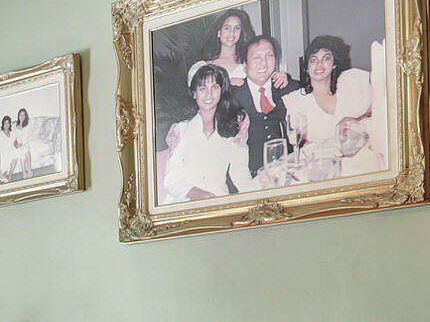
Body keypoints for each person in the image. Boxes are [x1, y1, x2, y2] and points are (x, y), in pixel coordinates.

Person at [282, 34, 381, 178]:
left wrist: (357, 119)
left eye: (326, 58)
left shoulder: (352, 81)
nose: (319, 64)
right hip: (321, 167)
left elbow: (385, 97)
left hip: (358, 163)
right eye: (313, 60)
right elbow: (297, 143)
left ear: (334, 63)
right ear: (307, 67)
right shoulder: (296, 100)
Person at [159, 66, 252, 203]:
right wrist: (194, 192)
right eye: (202, 88)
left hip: (218, 202)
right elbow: (171, 178)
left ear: (222, 90)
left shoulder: (233, 128)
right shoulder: (181, 130)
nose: (209, 94)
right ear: (194, 93)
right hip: (183, 203)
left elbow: (241, 175)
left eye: (215, 87)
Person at [231, 34, 294, 178]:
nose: (263, 63)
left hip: (288, 173)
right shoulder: (232, 97)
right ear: (245, 64)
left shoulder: (289, 88)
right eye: (256, 58)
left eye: (269, 56)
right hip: (250, 178)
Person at [186, 10, 254, 89]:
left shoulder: (248, 63)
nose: (232, 33)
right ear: (218, 32)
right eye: (227, 28)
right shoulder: (201, 67)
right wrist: (227, 84)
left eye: (237, 28)